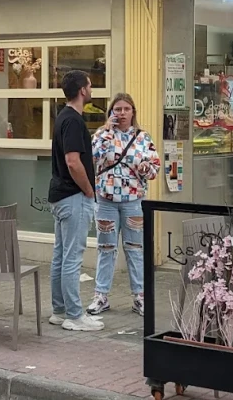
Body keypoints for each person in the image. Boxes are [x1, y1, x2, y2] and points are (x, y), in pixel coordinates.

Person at [87, 93, 159, 318]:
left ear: (133, 112)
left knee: (135, 249)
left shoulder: (143, 138)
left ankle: (140, 296)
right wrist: (107, 131)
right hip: (106, 201)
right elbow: (94, 156)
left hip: (133, 201)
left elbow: (155, 169)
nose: (122, 113)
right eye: (117, 109)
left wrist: (144, 167)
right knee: (105, 249)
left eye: (126, 109)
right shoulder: (101, 134)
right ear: (110, 112)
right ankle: (101, 296)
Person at [47, 70, 102, 332]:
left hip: (60, 196)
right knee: (72, 258)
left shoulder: (63, 117)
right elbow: (73, 161)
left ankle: (59, 310)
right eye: (89, 86)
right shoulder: (74, 121)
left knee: (60, 255)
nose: (91, 89)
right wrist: (89, 191)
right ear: (82, 90)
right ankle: (74, 315)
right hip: (73, 196)